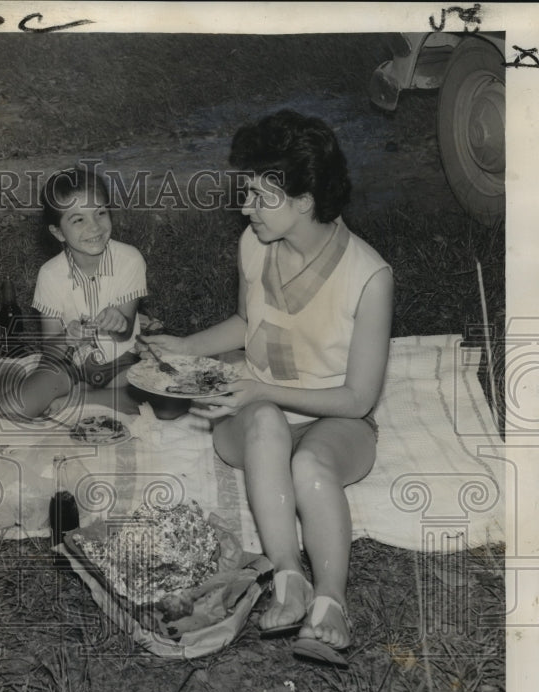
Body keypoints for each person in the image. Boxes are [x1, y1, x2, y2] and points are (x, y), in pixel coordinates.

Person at [147, 110, 393, 663]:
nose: (245, 207)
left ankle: (332, 597)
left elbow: (359, 398)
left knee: (309, 466)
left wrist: (267, 393)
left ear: (305, 201)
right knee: (261, 424)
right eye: (246, 192)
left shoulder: (370, 277)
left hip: (338, 417)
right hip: (254, 411)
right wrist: (185, 346)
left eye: (260, 196)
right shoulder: (254, 246)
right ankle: (288, 573)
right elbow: (245, 323)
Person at [0, 166, 188, 421]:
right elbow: (51, 350)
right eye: (78, 220)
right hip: (70, 366)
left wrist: (120, 321)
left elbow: (126, 331)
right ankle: (80, 392)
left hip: (122, 363)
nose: (94, 227)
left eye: (100, 213)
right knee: (7, 408)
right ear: (58, 232)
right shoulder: (50, 274)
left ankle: (84, 399)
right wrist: (67, 337)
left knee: (173, 403)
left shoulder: (130, 260)